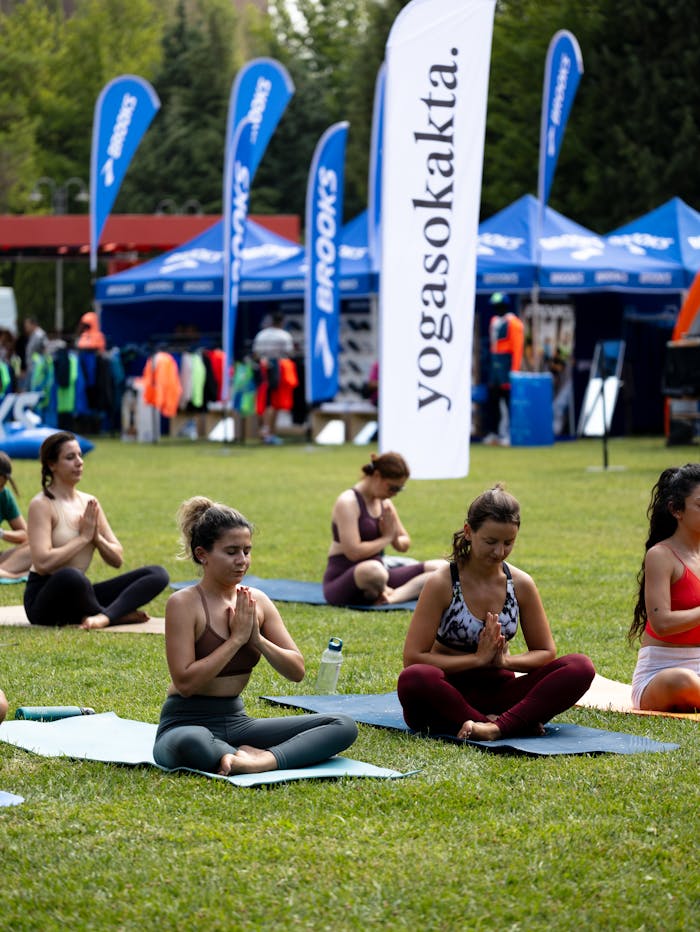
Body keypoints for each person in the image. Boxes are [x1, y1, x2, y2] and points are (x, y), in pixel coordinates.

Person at [153, 497, 358, 776]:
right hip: (185, 723)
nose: (242, 561)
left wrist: (257, 640)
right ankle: (241, 755)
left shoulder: (256, 601)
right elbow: (186, 683)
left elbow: (296, 671)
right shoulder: (183, 603)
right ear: (203, 554)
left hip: (237, 722)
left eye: (247, 551)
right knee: (191, 744)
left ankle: (259, 761)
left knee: (342, 725)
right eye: (232, 551)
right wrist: (235, 640)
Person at [398, 484, 595, 740]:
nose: (499, 552)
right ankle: (507, 724)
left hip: (501, 695)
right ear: (469, 532)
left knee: (580, 666)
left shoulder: (521, 584)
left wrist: (504, 662)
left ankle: (495, 727)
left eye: (508, 543)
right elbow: (413, 658)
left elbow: (546, 653)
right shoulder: (442, 583)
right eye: (490, 542)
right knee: (415, 677)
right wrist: (477, 660)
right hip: (446, 696)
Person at [24, 431, 169, 629]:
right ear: (52, 465)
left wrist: (96, 538)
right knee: (72, 576)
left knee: (158, 573)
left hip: (79, 594)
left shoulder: (89, 503)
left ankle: (104, 616)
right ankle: (111, 615)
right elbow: (42, 563)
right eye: (70, 457)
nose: (79, 462)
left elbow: (117, 559)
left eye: (80, 456)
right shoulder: (42, 504)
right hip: (44, 600)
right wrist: (83, 538)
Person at [322, 452, 447, 606]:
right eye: (392, 488)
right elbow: (353, 552)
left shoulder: (385, 503)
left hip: (381, 572)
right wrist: (386, 538)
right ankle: (390, 590)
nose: (394, 494)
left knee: (443, 568)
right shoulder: (348, 502)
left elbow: (404, 543)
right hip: (348, 578)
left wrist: (393, 537)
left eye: (399, 489)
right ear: (377, 476)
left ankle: (391, 597)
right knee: (374, 571)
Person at [628, 464, 700, 712]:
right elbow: (662, 623)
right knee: (682, 681)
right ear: (676, 510)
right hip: (662, 674)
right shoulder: (661, 555)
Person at [483, 293, 524, 446]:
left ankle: (509, 434)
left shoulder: (514, 323)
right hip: (495, 368)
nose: (495, 310)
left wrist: (514, 371)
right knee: (493, 401)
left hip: (507, 368)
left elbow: (517, 348)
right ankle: (493, 433)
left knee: (508, 402)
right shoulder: (494, 322)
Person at [251, 311, 296, 445]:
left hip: (261, 368)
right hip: (276, 368)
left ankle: (265, 431)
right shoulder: (284, 335)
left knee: (262, 401)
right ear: (282, 322)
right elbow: (289, 352)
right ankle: (268, 432)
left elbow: (256, 354)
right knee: (273, 402)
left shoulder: (262, 334)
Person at [0, 452, 32, 579]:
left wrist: (2, 533)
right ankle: (16, 575)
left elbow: (26, 535)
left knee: (37, 545)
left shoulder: (4, 496)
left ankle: (5, 572)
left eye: (1, 486)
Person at [20, 316, 47, 389]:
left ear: (33, 324)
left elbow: (45, 350)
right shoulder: (34, 335)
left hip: (37, 369)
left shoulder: (39, 335)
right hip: (32, 368)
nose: (25, 328)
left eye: (27, 326)